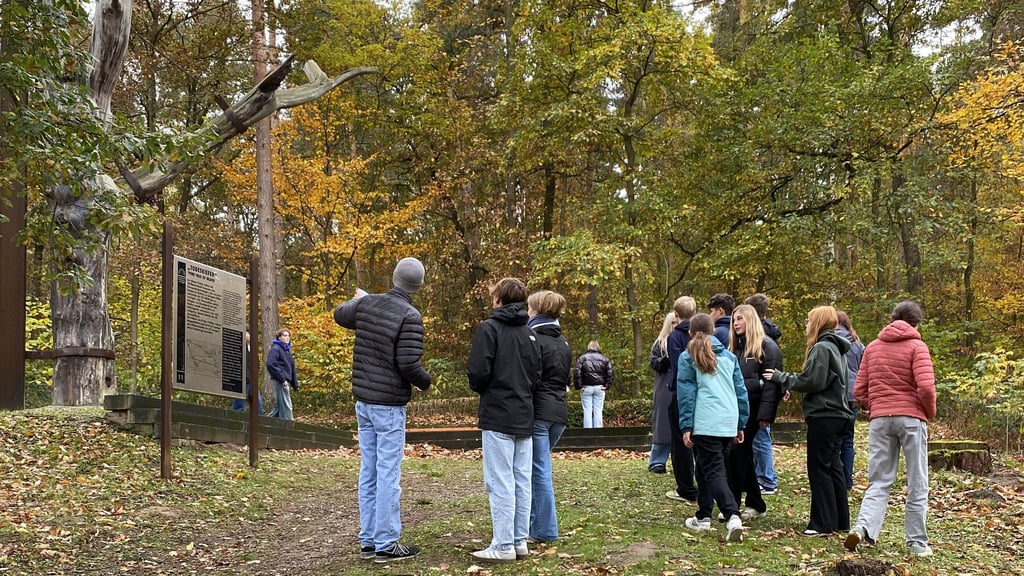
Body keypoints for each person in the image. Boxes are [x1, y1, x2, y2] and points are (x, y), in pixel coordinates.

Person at [333, 257, 432, 563]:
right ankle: (386, 542)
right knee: (388, 472)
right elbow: (408, 364)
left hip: (363, 400)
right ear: (418, 286)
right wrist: (425, 382)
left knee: (370, 470)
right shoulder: (410, 315)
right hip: (388, 404)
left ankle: (368, 539)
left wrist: (359, 299)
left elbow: (339, 314)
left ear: (394, 277)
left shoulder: (367, 304)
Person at [845, 301, 936, 557]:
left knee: (879, 480)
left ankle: (862, 527)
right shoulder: (917, 346)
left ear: (892, 319)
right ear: (916, 323)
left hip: (880, 418)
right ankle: (917, 541)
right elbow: (927, 388)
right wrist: (928, 412)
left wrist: (873, 405)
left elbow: (859, 389)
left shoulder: (873, 347)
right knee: (917, 480)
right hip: (911, 418)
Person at [468, 278, 542, 563]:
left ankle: (503, 544)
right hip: (524, 412)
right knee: (521, 480)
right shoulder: (530, 333)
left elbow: (477, 371)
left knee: (500, 481)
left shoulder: (489, 329)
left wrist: (487, 389)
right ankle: (518, 540)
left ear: (498, 299)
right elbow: (537, 375)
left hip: (498, 413)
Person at [764, 305, 852, 536]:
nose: (806, 325)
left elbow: (813, 380)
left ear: (818, 322)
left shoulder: (822, 348)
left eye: (808, 320)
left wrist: (780, 377)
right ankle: (839, 520)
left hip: (824, 414)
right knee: (833, 467)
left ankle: (822, 522)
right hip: (838, 415)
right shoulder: (836, 348)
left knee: (819, 469)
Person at [677, 313, 749, 542]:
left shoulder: (688, 357)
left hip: (705, 421)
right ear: (714, 331)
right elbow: (740, 392)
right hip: (727, 421)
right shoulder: (729, 357)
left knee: (714, 471)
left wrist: (686, 424)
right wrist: (741, 422)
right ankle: (703, 515)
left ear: (690, 332)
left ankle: (732, 515)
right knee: (706, 468)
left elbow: (687, 393)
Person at [726, 304, 783, 521]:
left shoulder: (767, 347)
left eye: (740, 318)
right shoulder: (735, 348)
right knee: (740, 455)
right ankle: (755, 502)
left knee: (737, 454)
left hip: (755, 409)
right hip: (737, 410)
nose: (736, 323)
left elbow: (771, 385)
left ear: (750, 319)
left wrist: (765, 415)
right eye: (733, 319)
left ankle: (733, 504)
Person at [526, 289, 572, 543]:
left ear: (536, 311)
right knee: (540, 467)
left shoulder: (533, 339)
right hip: (559, 412)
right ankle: (538, 524)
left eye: (529, 308)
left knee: (539, 471)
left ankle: (545, 529)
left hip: (539, 411)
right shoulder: (563, 342)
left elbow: (531, 378)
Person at [745, 293, 781, 495]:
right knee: (760, 437)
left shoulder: (763, 338)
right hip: (762, 389)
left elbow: (769, 368)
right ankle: (763, 476)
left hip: (760, 392)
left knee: (761, 437)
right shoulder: (770, 332)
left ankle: (767, 479)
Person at [665, 296, 699, 503]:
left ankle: (686, 487)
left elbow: (678, 367)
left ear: (676, 314)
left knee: (680, 441)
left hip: (681, 392)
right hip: (703, 392)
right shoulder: (704, 335)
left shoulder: (675, 337)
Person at [836, 311, 865, 490]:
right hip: (853, 395)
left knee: (834, 439)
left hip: (836, 393)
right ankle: (847, 480)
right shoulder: (859, 345)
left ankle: (836, 478)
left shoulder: (828, 341)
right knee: (848, 439)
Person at [648, 312, 677, 473]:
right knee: (662, 423)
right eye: (672, 323)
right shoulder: (660, 344)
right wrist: (665, 359)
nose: (675, 325)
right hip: (665, 386)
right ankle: (657, 460)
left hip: (681, 386)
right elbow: (654, 363)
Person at [574, 340, 613, 428]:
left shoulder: (582, 358)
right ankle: (598, 432)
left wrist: (579, 386)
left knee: (587, 410)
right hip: (599, 387)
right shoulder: (604, 358)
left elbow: (577, 373)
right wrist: (607, 386)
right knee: (598, 410)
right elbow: (610, 373)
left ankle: (587, 432)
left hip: (586, 387)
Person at [266, 328, 297, 421]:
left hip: (286, 380)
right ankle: (288, 424)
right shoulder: (276, 349)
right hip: (280, 380)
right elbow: (271, 364)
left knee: (280, 406)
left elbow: (291, 368)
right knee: (286, 404)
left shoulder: (287, 350)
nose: (287, 338)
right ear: (279, 337)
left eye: (288, 336)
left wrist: (294, 384)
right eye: (285, 335)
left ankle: (265, 422)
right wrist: (282, 379)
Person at [232, 331, 264, 415]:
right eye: (248, 334)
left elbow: (256, 364)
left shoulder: (253, 348)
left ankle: (259, 417)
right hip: (242, 378)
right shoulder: (238, 347)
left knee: (257, 402)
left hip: (252, 379)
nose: (250, 336)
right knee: (239, 401)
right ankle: (237, 415)